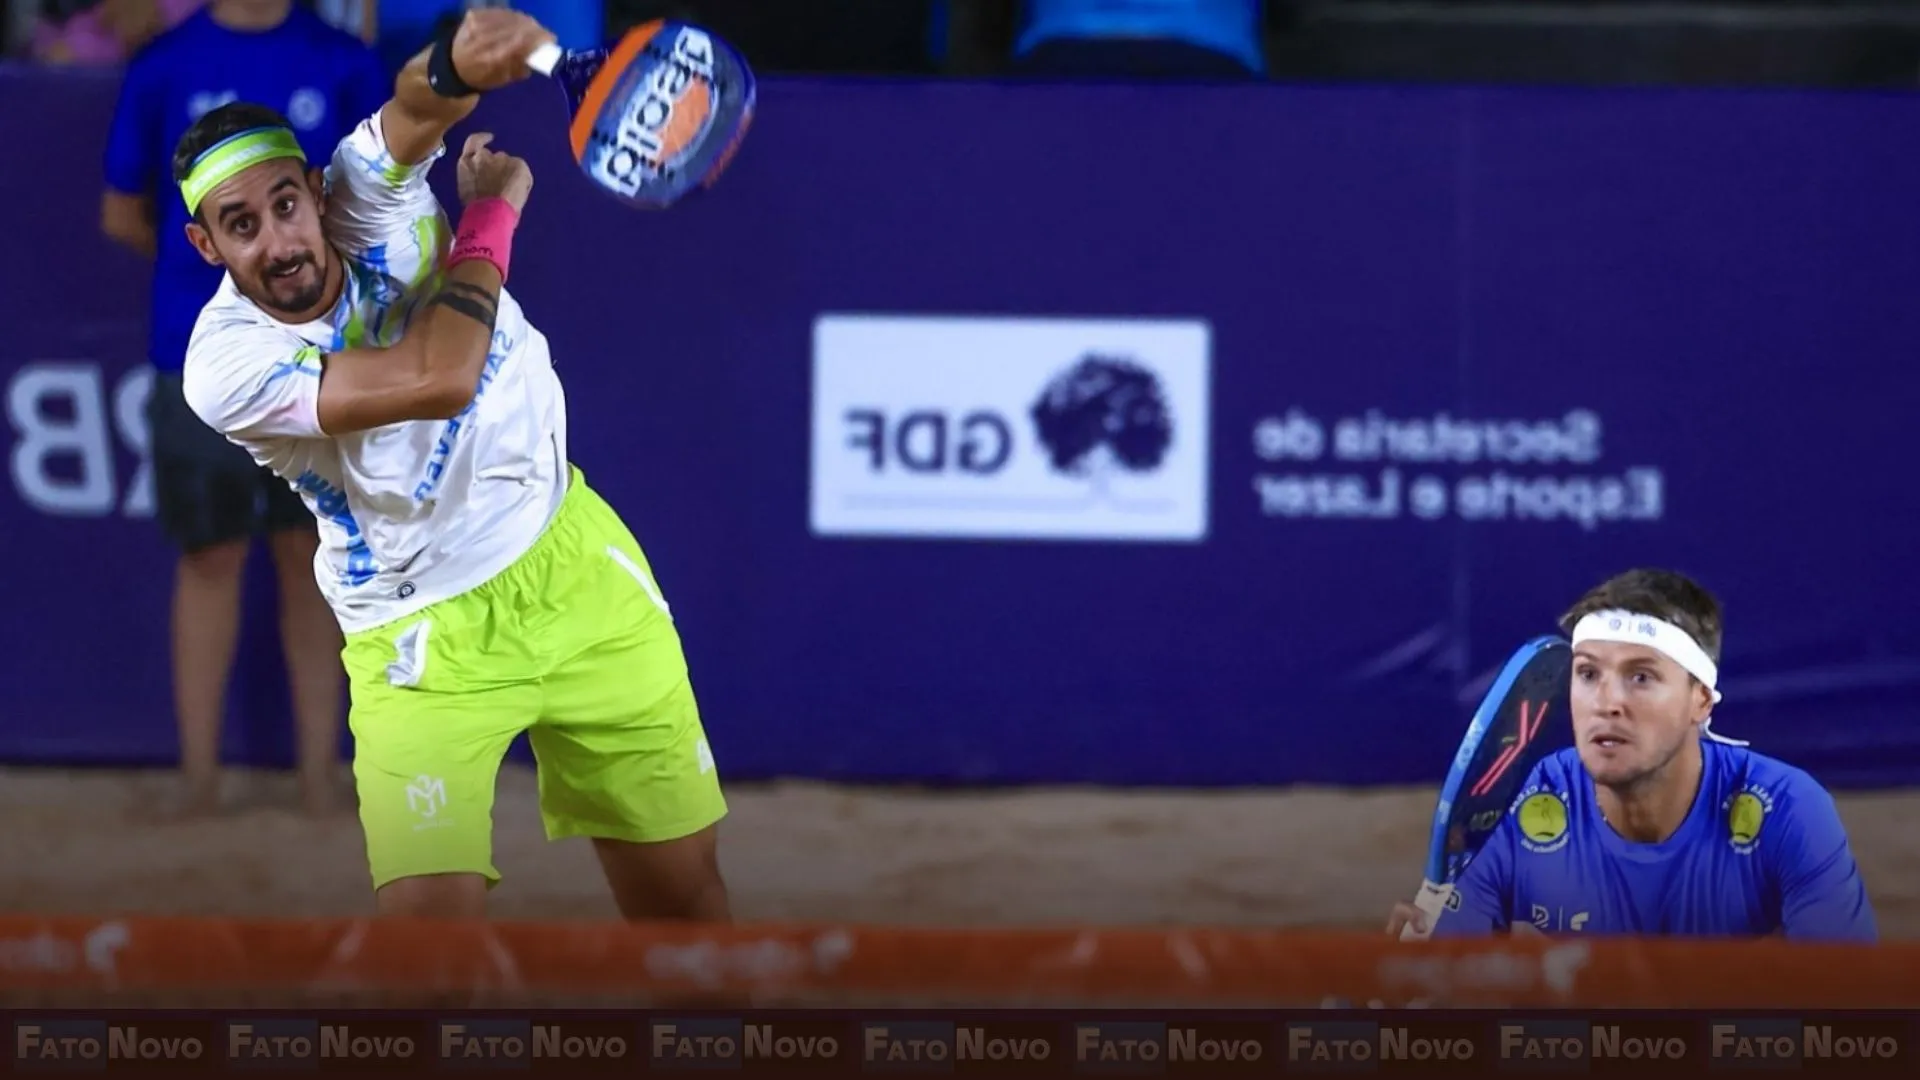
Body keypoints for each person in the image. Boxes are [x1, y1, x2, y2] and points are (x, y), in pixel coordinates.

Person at [169, 8, 732, 920]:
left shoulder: (364, 198)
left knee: (682, 902)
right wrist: (491, 217)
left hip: (575, 567)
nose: (279, 242)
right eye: (241, 225)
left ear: (316, 190)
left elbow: (413, 109)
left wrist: (457, 61)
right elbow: (439, 377)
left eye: (285, 204)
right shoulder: (224, 366)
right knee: (428, 955)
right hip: (419, 637)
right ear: (209, 246)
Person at [102, 0, 389, 818]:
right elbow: (122, 212)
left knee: (314, 560)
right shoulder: (163, 65)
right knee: (209, 559)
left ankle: (318, 781)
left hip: (318, 354)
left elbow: (370, 204)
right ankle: (198, 782)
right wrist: (235, 282)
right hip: (195, 359)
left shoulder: (342, 61)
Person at [1388, 568, 1877, 941]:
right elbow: (1454, 998)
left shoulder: (1787, 809)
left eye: (1640, 676)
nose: (1608, 702)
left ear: (1700, 700)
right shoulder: (1529, 803)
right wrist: (1428, 979)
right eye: (1587, 674)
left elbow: (1851, 1016)